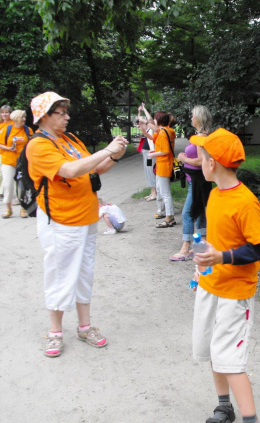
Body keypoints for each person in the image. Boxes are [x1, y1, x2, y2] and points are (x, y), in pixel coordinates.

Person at [27, 91, 128, 358]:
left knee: (84, 274)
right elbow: (70, 171)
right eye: (61, 113)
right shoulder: (38, 145)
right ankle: (55, 332)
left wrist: (114, 154)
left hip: (85, 218)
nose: (67, 117)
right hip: (61, 221)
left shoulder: (69, 139)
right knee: (60, 275)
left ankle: (85, 327)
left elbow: (93, 169)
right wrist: (106, 149)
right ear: (45, 116)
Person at [190, 128, 260, 423]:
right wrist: (203, 265)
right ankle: (224, 407)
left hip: (235, 293)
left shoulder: (245, 202)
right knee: (213, 349)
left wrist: (222, 257)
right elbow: (218, 240)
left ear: (212, 164)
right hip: (210, 285)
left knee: (231, 360)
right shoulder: (214, 194)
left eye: (202, 155)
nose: (198, 159)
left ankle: (251, 419)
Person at [169, 105, 212, 261]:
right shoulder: (201, 135)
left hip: (198, 181)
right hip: (196, 180)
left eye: (193, 116)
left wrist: (184, 159)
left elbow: (202, 161)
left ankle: (186, 248)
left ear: (199, 118)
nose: (191, 118)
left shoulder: (201, 137)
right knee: (199, 212)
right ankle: (202, 246)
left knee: (188, 214)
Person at [0, 109, 32, 218]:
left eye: (24, 117)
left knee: (23, 185)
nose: (24, 119)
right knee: (7, 185)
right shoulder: (7, 129)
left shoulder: (28, 130)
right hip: (8, 161)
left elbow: (32, 144)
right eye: (22, 117)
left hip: (23, 162)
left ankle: (23, 208)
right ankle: (8, 208)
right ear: (16, 119)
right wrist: (8, 148)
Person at [147, 111, 176, 228]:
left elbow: (165, 151)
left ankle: (169, 218)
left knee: (165, 193)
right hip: (162, 165)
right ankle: (168, 216)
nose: (153, 121)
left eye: (155, 119)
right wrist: (154, 152)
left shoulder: (164, 132)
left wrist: (153, 155)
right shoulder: (165, 131)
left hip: (164, 165)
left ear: (158, 120)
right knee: (161, 190)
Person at [136, 103, 157, 201]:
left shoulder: (151, 128)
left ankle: (154, 193)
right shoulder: (146, 129)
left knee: (150, 171)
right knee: (147, 172)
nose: (138, 125)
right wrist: (139, 111)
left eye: (140, 123)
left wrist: (144, 109)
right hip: (146, 153)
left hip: (150, 154)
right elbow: (139, 118)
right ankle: (152, 191)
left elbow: (150, 120)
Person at [0, 104, 13, 199]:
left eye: (6, 112)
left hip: (8, 153)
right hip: (1, 152)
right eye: (2, 112)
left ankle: (4, 193)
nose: (4, 114)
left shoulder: (13, 125)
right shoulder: (0, 125)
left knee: (5, 174)